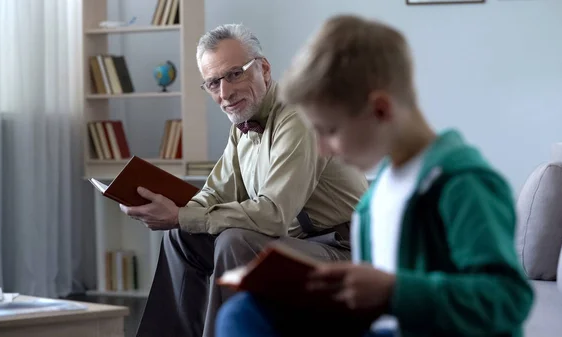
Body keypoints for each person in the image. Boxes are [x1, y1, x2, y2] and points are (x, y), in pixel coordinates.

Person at [215, 14, 535, 337]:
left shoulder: (462, 184)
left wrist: (394, 291)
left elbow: (509, 298)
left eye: (330, 131)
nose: (323, 149)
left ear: (380, 110)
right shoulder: (378, 193)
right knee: (246, 313)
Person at [120, 23, 369, 337]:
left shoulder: (298, 117)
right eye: (213, 83)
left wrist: (183, 214)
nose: (225, 93)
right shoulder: (242, 122)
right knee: (181, 236)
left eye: (235, 74)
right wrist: (169, 210)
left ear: (263, 69)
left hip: (342, 249)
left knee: (235, 240)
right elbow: (214, 193)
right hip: (294, 244)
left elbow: (274, 215)